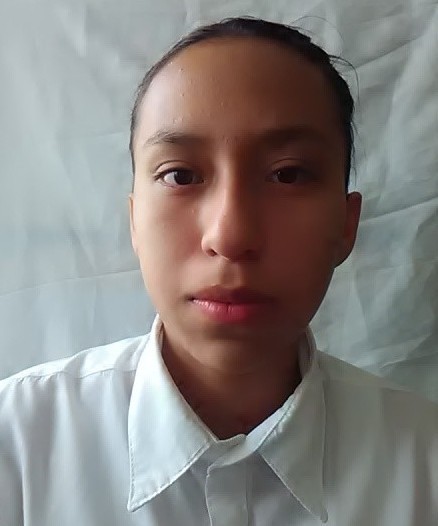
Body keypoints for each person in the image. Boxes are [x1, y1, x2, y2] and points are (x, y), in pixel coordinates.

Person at [0, 16, 437, 526]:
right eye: (180, 175)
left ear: (346, 223)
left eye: (288, 174)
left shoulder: (423, 461)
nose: (229, 237)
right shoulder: (17, 444)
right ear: (135, 221)